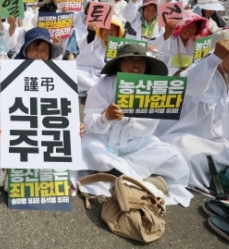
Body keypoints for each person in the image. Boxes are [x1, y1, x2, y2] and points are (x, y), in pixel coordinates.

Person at [79, 43, 192, 206]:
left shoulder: (154, 88)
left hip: (135, 143)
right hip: (104, 140)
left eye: (141, 61)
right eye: (131, 60)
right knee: (89, 150)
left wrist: (127, 119)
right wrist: (105, 118)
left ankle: (119, 175)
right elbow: (90, 121)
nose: (137, 65)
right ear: (119, 64)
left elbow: (149, 127)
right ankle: (138, 180)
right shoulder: (102, 85)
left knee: (173, 155)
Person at [158, 29, 229, 190]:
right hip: (193, 138)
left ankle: (228, 174)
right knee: (182, 153)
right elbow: (191, 84)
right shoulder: (200, 71)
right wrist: (214, 59)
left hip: (228, 139)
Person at [0, 27, 78, 187]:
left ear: (50, 54)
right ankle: (1, 162)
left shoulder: (56, 75)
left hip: (41, 125)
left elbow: (64, 106)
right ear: (25, 49)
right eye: (34, 48)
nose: (39, 54)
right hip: (15, 121)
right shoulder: (10, 71)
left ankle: (27, 165)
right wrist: (5, 123)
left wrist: (74, 124)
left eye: (44, 50)